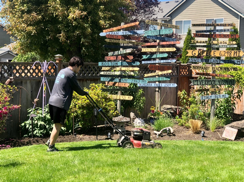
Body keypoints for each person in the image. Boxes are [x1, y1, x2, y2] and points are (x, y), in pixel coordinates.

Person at [46, 56, 88, 152]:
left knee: (56, 124)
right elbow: (77, 89)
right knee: (58, 126)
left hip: (52, 101)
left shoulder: (62, 71)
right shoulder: (71, 74)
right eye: (79, 67)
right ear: (76, 65)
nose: (79, 69)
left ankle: (50, 141)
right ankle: (51, 147)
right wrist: (85, 93)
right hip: (60, 103)